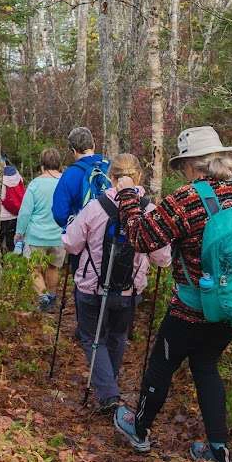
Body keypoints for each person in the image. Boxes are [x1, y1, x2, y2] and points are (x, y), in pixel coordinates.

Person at [111, 126, 232, 462]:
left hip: (192, 308)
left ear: (192, 165)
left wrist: (126, 196)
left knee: (161, 366)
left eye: (183, 164)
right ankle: (219, 454)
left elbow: (141, 237)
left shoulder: (186, 199)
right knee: (205, 366)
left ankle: (138, 430)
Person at [62, 154, 172, 413]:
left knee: (92, 338)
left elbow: (72, 243)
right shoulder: (149, 211)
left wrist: (67, 229)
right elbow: (162, 258)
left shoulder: (96, 207)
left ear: (111, 178)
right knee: (117, 336)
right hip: (129, 289)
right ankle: (108, 386)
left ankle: (108, 393)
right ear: (139, 178)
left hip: (91, 286)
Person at [14, 148, 65, 311]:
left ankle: (43, 297)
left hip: (36, 236)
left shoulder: (35, 184)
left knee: (33, 268)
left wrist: (19, 233)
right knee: (53, 267)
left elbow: (25, 212)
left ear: (42, 165)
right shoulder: (65, 182)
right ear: (59, 164)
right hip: (59, 235)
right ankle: (51, 297)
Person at [52, 126, 111, 229]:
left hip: (86, 236)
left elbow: (59, 214)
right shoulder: (110, 166)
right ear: (93, 145)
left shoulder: (69, 175)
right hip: (112, 236)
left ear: (73, 151)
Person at [0, 156, 25, 253]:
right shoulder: (17, 175)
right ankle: (12, 264)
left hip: (1, 216)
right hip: (15, 215)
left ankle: (1, 264)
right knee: (12, 243)